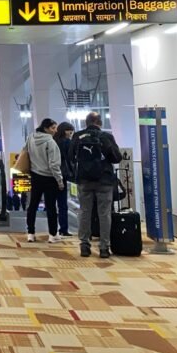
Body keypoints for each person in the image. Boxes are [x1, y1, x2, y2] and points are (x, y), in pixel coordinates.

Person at [72, 111, 122, 259]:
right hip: (104, 181)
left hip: (84, 180)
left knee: (84, 212)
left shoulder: (78, 136)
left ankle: (85, 245)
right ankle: (104, 248)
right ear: (99, 123)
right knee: (104, 213)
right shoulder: (106, 136)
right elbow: (116, 158)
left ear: (86, 123)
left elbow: (70, 156)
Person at [25, 118, 64, 244]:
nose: (55, 130)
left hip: (35, 175)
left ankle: (30, 233)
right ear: (46, 128)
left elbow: (25, 152)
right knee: (51, 207)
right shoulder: (50, 142)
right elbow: (54, 164)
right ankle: (53, 235)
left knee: (33, 205)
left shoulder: (31, 137)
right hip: (49, 178)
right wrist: (60, 181)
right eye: (53, 128)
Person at [53, 121, 75, 237]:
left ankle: (53, 229)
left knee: (51, 203)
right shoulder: (67, 142)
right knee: (62, 204)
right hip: (62, 175)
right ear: (63, 130)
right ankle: (63, 229)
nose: (70, 132)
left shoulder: (53, 141)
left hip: (51, 174)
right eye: (68, 130)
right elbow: (71, 157)